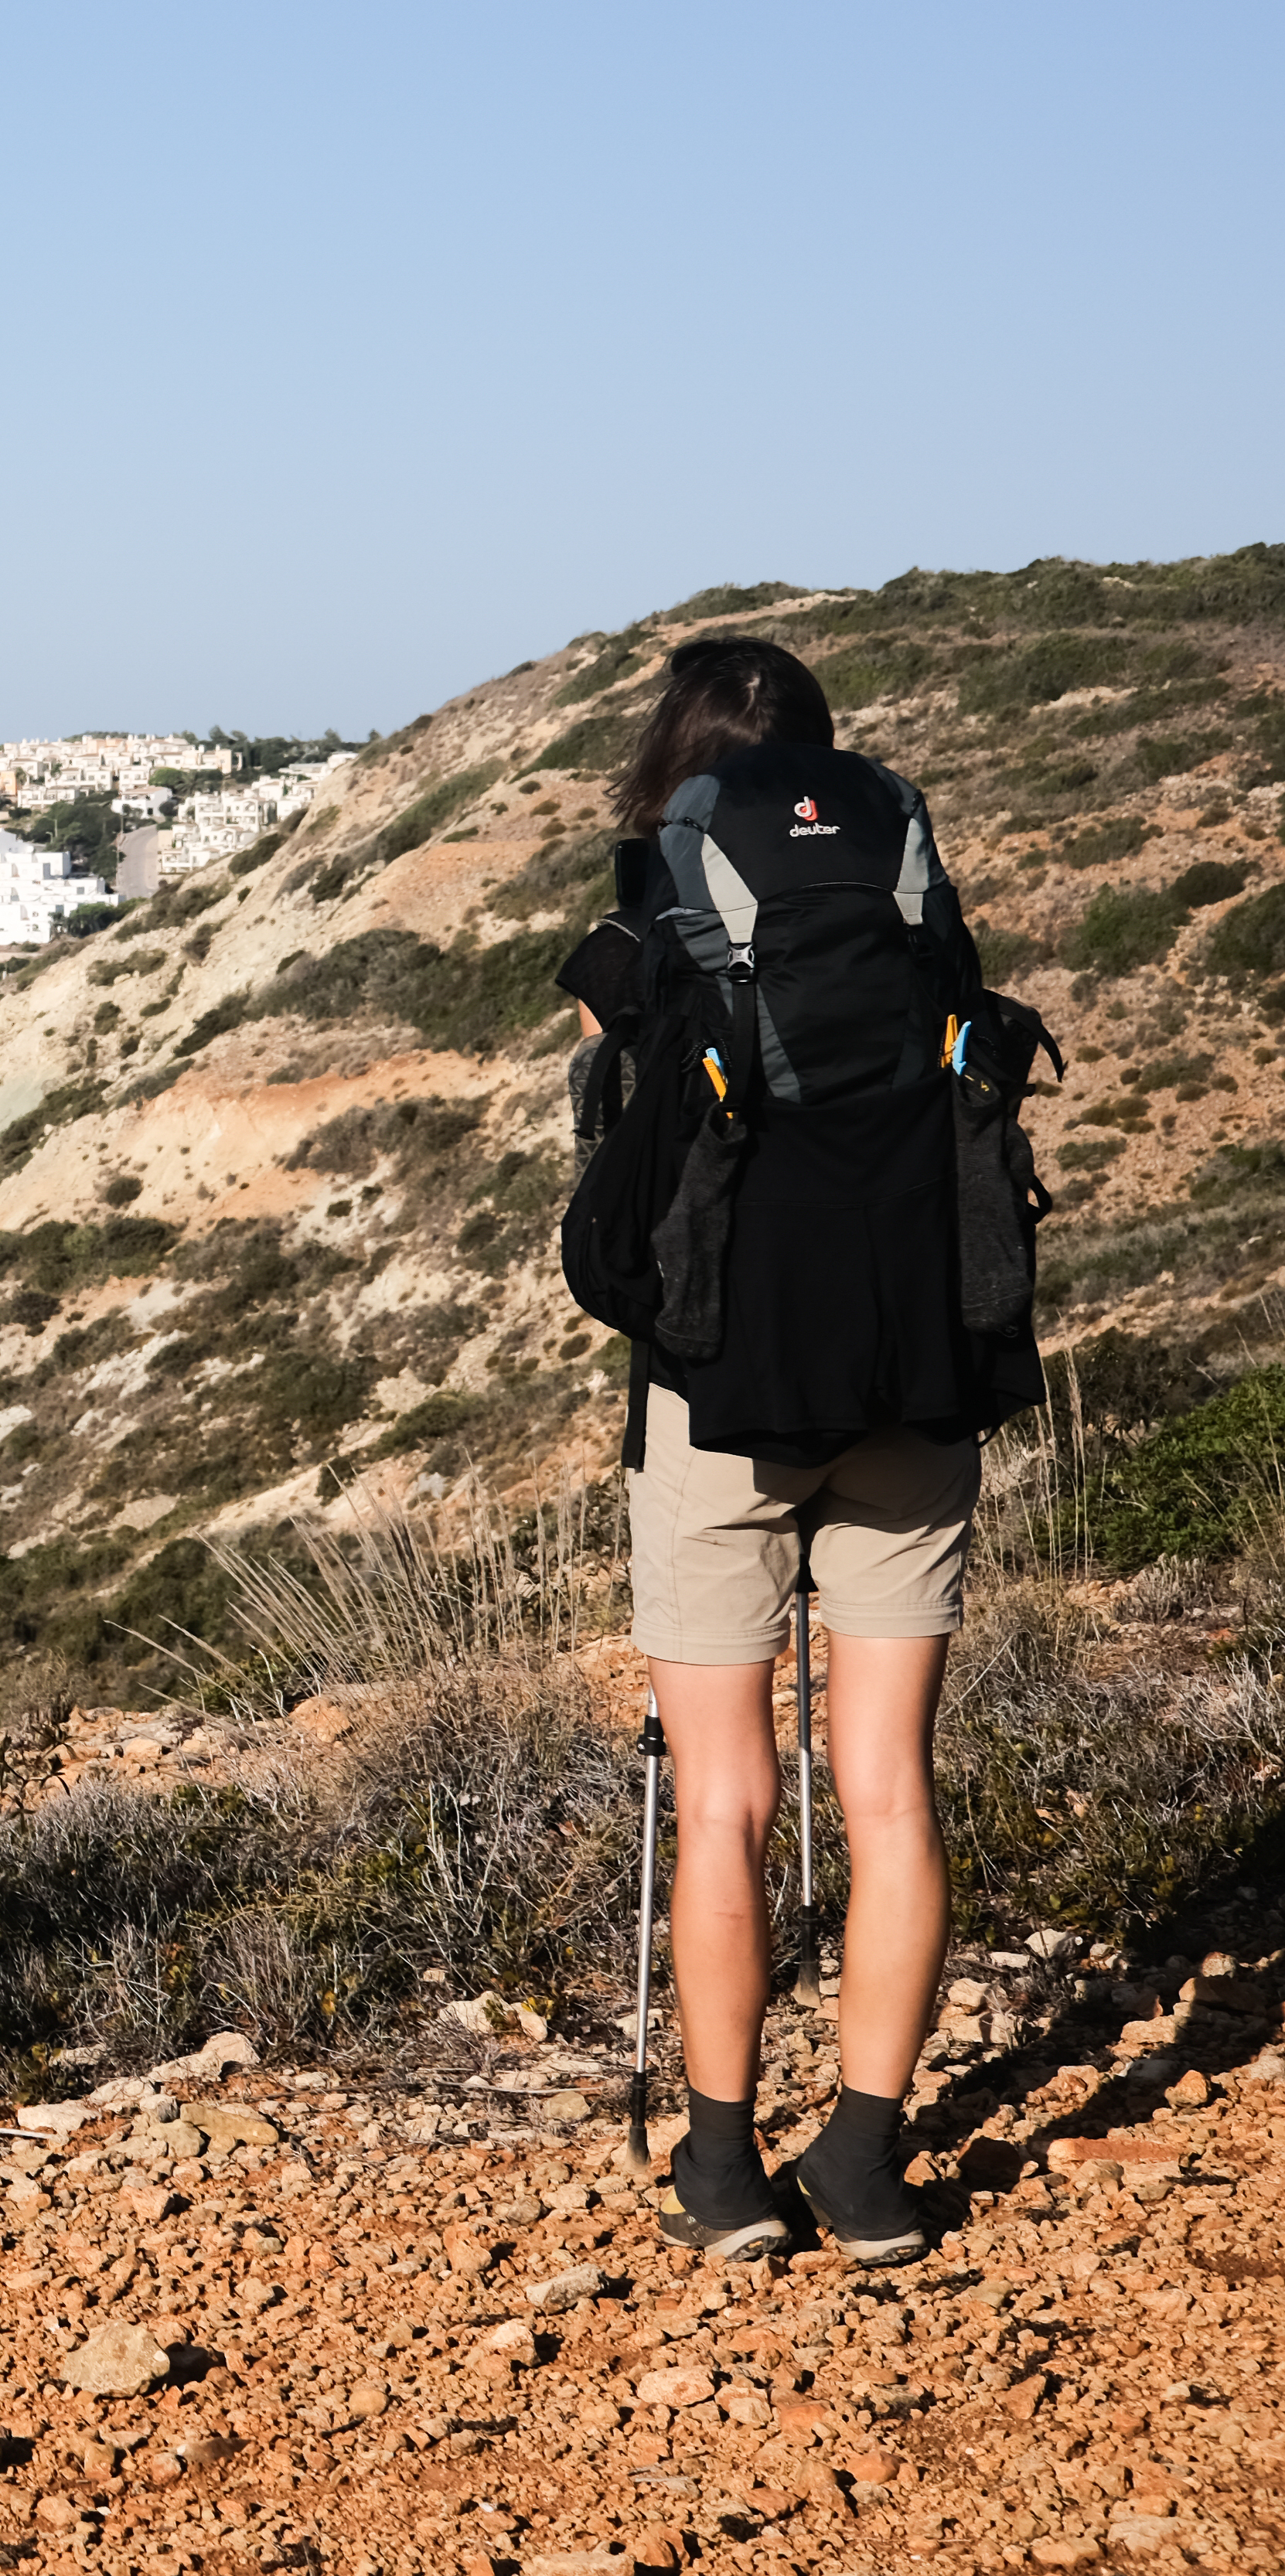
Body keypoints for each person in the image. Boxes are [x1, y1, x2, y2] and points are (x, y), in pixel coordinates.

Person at [577, 635, 1028, 2265]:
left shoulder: (662, 892)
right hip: (918, 1367)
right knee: (890, 1789)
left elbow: (597, 1047)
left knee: (727, 1795)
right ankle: (865, 2158)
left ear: (681, 764)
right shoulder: (905, 881)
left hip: (721, 1388)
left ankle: (718, 2164)